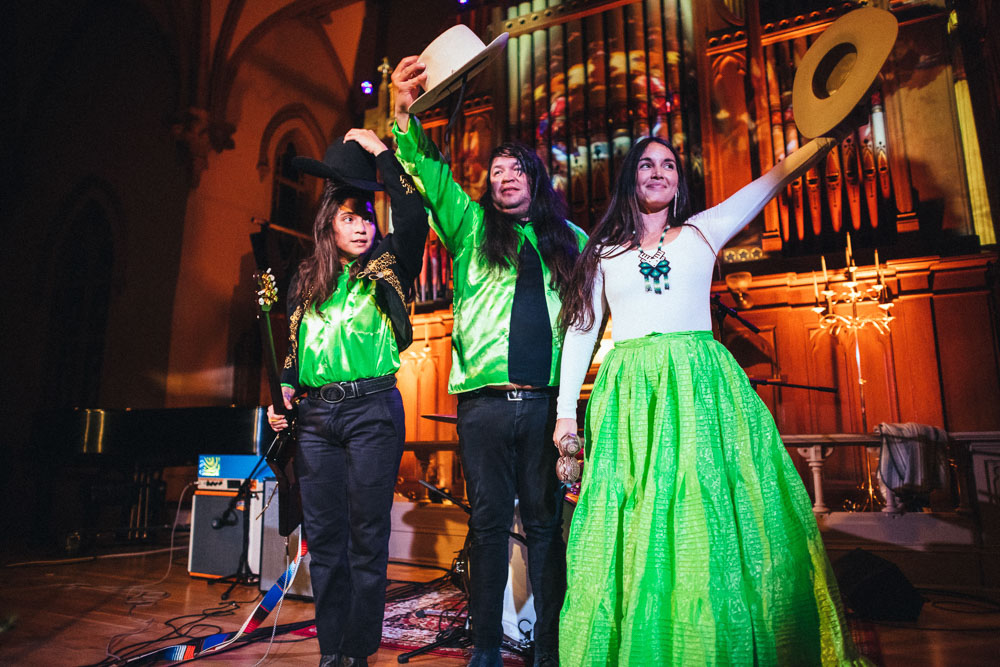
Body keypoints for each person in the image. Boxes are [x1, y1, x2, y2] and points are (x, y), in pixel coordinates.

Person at [553, 135, 870, 665]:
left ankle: (717, 641)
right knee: (640, 518)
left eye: (670, 165)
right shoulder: (604, 252)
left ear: (679, 180)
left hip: (702, 388)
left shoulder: (703, 230)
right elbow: (582, 332)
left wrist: (820, 137)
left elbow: (769, 183)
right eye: (648, 164)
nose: (659, 173)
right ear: (630, 176)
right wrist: (566, 414)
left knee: (708, 508)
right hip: (632, 395)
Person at [391, 56, 588, 667]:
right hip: (482, 406)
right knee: (487, 529)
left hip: (546, 410)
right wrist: (401, 110)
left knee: (548, 530)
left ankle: (549, 649)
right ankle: (482, 646)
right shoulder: (470, 226)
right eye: (497, 171)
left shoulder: (573, 242)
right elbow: (423, 166)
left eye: (516, 170)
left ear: (536, 178)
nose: (504, 178)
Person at [268, 129, 428, 667]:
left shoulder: (388, 266)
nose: (362, 225)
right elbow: (293, 356)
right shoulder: (305, 280)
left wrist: (382, 152)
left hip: (371, 413)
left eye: (366, 215)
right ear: (328, 225)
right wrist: (283, 398)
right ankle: (332, 653)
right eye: (349, 216)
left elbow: (412, 214)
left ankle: (358, 654)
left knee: (366, 539)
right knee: (326, 542)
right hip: (314, 419)